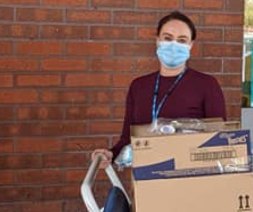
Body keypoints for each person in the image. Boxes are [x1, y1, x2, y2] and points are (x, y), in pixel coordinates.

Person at [91, 11, 226, 167]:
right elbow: (128, 139)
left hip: (191, 176)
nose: (174, 45)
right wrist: (110, 154)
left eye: (182, 40)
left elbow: (219, 139)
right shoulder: (139, 86)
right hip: (146, 177)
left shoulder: (206, 84)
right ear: (157, 41)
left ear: (190, 45)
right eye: (167, 38)